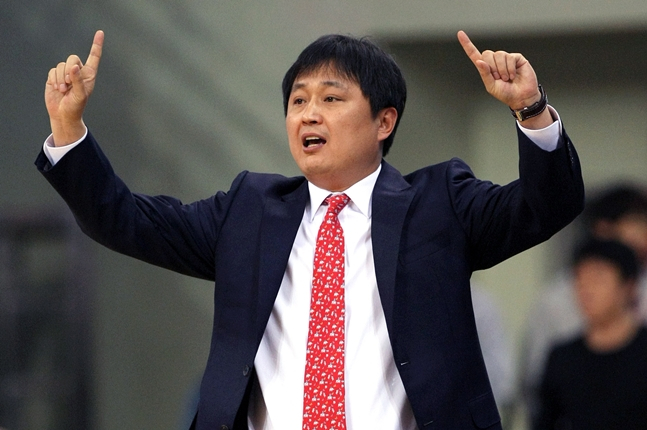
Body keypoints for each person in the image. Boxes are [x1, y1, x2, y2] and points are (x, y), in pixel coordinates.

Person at [37, 29, 584, 430]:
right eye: (298, 100)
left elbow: (547, 205)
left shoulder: (439, 203)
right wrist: (68, 127)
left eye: (331, 98)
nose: (308, 114)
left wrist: (531, 109)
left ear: (384, 121)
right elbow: (125, 220)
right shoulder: (249, 211)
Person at [520, 184, 647, 421]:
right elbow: (540, 395)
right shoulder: (556, 302)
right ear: (604, 228)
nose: (587, 290)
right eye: (635, 223)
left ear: (628, 287)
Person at [533, 238, 647, 430]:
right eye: (580, 279)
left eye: (598, 279)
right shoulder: (562, 357)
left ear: (628, 286)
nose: (587, 290)